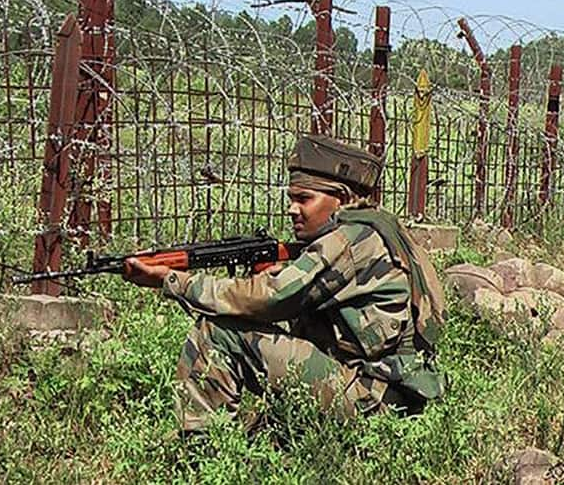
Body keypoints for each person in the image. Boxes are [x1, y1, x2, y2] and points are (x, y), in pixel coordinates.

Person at [123, 135, 447, 432]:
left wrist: (172, 281)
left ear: (343, 199)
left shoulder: (347, 241)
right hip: (399, 396)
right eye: (291, 198)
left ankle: (199, 452)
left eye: (304, 199)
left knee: (217, 330)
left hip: (372, 402)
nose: (292, 209)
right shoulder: (383, 229)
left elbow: (272, 299)